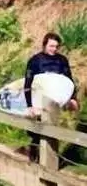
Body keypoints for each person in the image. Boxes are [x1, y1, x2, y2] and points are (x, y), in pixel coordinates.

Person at [23, 32, 79, 163]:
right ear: (44, 45)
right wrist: (29, 105)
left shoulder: (62, 60)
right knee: (38, 128)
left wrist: (73, 98)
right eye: (51, 46)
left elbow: (68, 81)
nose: (54, 49)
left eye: (56, 46)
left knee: (52, 126)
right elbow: (28, 83)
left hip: (55, 101)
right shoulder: (35, 61)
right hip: (39, 98)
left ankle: (49, 159)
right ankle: (35, 151)